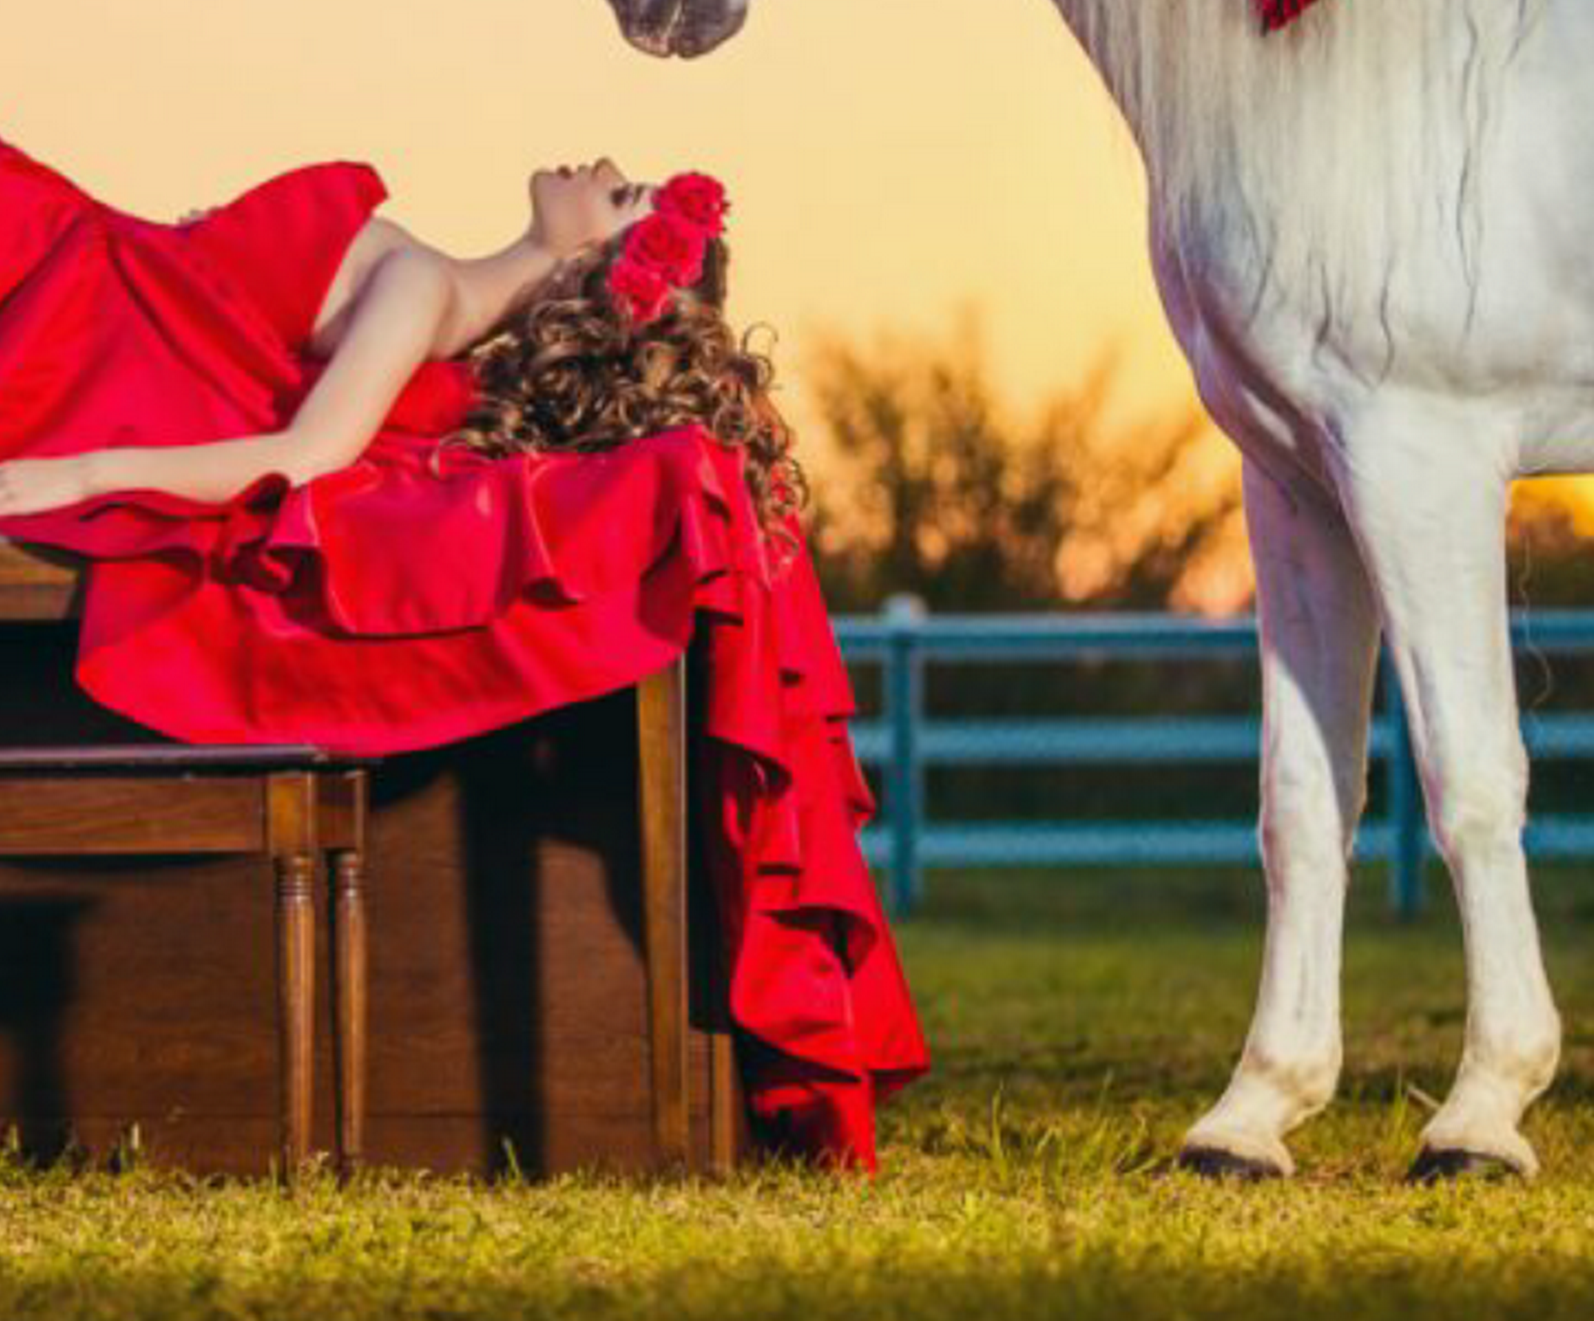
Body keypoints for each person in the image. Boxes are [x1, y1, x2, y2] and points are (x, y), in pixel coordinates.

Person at [0, 136, 925, 1167]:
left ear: (592, 271)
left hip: (52, 311)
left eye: (620, 193)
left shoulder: (423, 287)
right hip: (72, 286)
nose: (600, 160)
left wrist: (72, 474)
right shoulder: (433, 311)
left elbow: (303, 455)